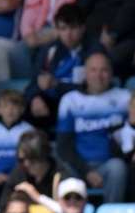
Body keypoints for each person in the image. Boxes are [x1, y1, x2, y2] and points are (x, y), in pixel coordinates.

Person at [55, 52, 130, 204]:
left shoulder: (125, 98)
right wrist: (87, 172)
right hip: (77, 165)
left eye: (104, 70)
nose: (99, 75)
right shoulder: (70, 100)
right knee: (61, 167)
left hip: (108, 164)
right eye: (93, 70)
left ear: (111, 73)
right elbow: (63, 146)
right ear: (85, 73)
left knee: (118, 167)